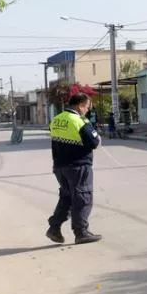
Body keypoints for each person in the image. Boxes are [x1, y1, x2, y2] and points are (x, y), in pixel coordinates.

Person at [47, 92, 102, 245]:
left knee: (67, 198)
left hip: (59, 166)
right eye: (86, 107)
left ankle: (54, 228)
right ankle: (81, 232)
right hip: (78, 166)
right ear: (80, 106)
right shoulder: (79, 121)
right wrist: (96, 136)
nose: (87, 110)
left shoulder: (56, 120)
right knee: (83, 198)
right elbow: (94, 142)